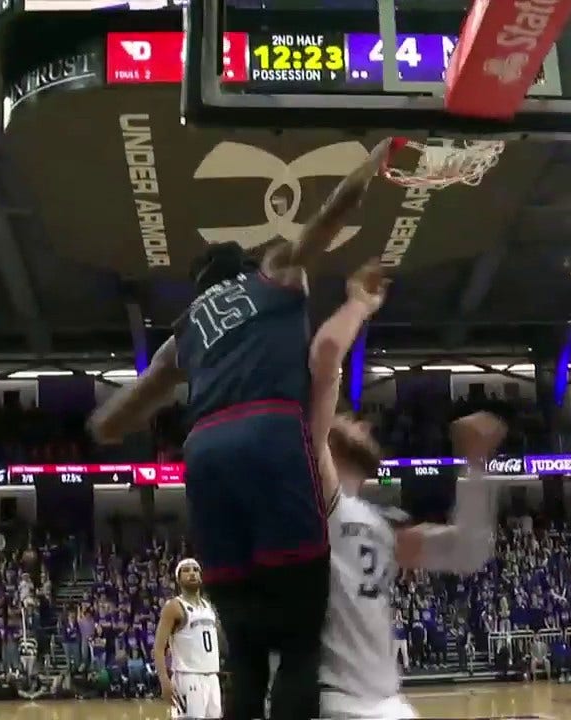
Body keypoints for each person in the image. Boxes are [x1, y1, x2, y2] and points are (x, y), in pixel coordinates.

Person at [88, 137, 396, 720]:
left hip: (204, 451)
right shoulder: (274, 272)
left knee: (247, 656)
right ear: (243, 269)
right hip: (269, 434)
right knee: (302, 645)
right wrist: (372, 162)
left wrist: (96, 424)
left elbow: (112, 422)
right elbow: (331, 214)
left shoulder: (186, 333)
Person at [301, 263, 501, 718]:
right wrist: (359, 304)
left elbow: (468, 551)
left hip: (387, 704)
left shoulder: (375, 522)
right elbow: (327, 356)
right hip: (337, 703)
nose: (363, 420)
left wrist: (475, 467)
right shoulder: (317, 496)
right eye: (348, 415)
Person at [153, 558, 222, 720]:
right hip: (188, 677)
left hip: (212, 677)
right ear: (178, 579)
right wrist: (164, 680)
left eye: (195, 570)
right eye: (186, 570)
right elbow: (158, 647)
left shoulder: (209, 606)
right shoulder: (174, 606)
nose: (192, 573)